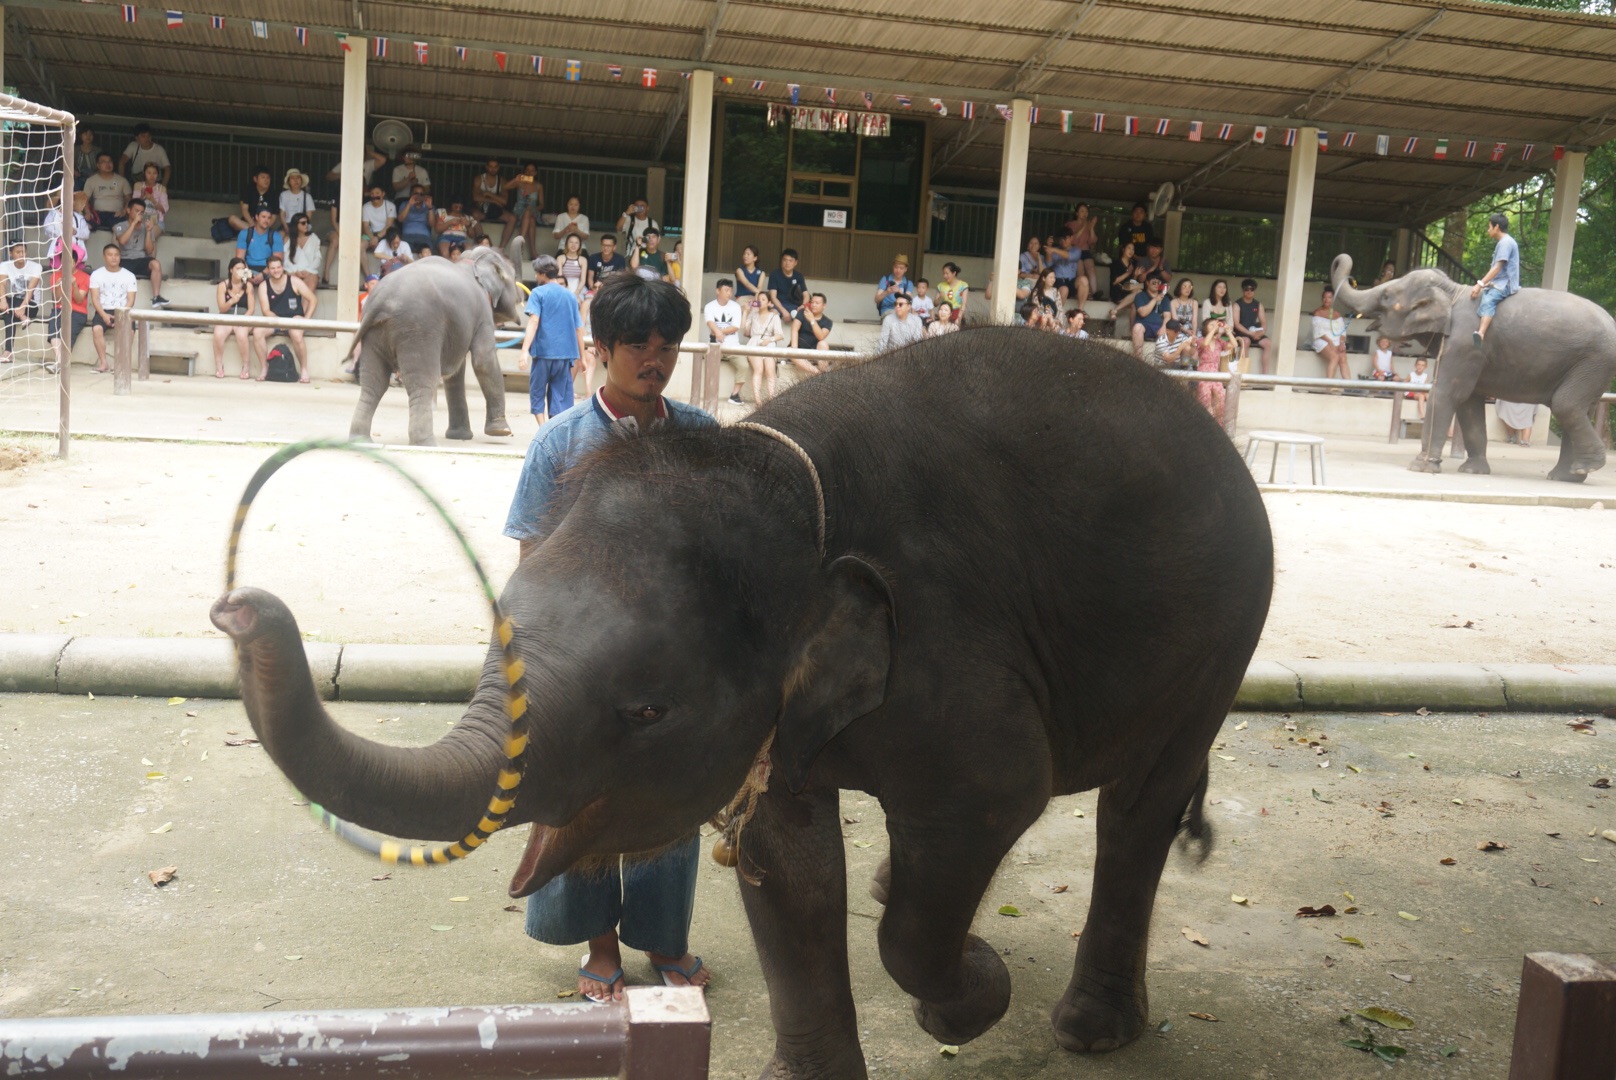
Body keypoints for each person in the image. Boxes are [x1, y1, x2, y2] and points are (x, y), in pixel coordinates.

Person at [502, 272, 715, 1004]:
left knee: (673, 803)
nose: (654, 359)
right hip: (584, 665)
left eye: (668, 345)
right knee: (581, 800)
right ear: (600, 349)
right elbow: (531, 564)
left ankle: (663, 940)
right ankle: (599, 946)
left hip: (675, 661)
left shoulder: (701, 437)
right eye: (637, 345)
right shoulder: (559, 443)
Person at [520, 254, 588, 421]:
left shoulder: (537, 293)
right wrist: (582, 357)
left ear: (543, 273)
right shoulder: (571, 296)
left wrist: (523, 351)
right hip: (565, 356)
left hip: (543, 353)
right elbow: (579, 329)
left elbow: (533, 321)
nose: (535, 276)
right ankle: (553, 431)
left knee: (537, 393)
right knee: (560, 398)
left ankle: (542, 429)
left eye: (537, 273)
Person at [252, 254, 317, 382]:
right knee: (257, 332)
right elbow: (266, 310)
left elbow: (313, 300)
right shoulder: (263, 286)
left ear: (283, 267)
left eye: (278, 267)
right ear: (268, 270)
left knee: (296, 334)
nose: (276, 271)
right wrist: (280, 322)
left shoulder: (294, 281)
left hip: (294, 319)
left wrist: (306, 320)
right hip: (274, 320)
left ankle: (304, 369)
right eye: (273, 268)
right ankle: (265, 368)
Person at [1471, 212, 1519, 346]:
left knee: (1489, 299)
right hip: (1498, 281)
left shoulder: (1505, 243)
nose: (1488, 230)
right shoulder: (1504, 242)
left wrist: (1480, 284)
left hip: (1505, 283)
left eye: (1489, 227)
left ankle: (1481, 333)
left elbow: (1497, 268)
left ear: (1496, 227)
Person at [88, 242, 136, 373]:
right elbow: (95, 299)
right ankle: (104, 363)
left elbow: (131, 299)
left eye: (116, 255)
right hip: (103, 310)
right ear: (104, 257)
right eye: (110, 255)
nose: (114, 257)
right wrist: (103, 315)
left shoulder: (129, 275)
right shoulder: (96, 274)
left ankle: (119, 363)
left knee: (130, 332)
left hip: (123, 310)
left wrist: (120, 315)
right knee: (97, 329)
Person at [113, 198, 168, 307]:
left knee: (155, 263)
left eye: (142, 212)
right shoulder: (120, 226)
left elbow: (149, 250)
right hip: (125, 260)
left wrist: (148, 231)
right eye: (136, 211)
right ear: (128, 211)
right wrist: (133, 224)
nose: (139, 214)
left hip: (141, 259)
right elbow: (122, 241)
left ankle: (156, 297)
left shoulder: (146, 227)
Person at [213, 257, 259, 379]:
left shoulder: (248, 285)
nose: (240, 271)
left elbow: (251, 309)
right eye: (238, 269)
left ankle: (246, 365)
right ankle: (218, 365)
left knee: (241, 334)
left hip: (244, 316)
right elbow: (222, 308)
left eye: (243, 269)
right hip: (226, 316)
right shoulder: (223, 285)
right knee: (218, 334)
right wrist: (232, 300)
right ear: (231, 270)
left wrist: (243, 320)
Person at [0, 242, 42, 363]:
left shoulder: (35, 267)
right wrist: (3, 301)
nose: (21, 255)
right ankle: (8, 352)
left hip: (31, 305)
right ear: (11, 253)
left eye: (23, 252)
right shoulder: (5, 265)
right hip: (12, 305)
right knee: (9, 310)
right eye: (18, 252)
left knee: (9, 312)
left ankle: (8, 352)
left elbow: (30, 290)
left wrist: (22, 308)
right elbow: (2, 284)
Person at [48, 244, 91, 358]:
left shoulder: (85, 277)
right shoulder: (55, 276)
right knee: (53, 329)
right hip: (60, 309)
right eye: (63, 260)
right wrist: (58, 287)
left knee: (69, 334)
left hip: (78, 311)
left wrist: (74, 285)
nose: (66, 264)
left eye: (69, 261)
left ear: (75, 262)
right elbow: (58, 300)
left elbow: (79, 300)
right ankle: (59, 360)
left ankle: (60, 363)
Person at [82, 153, 131, 231]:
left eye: (109, 161)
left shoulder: (122, 180)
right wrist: (88, 212)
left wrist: (124, 211)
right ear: (98, 165)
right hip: (98, 214)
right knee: (84, 225)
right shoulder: (91, 180)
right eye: (104, 162)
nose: (107, 164)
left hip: (116, 214)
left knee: (120, 229)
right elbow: (84, 199)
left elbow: (128, 198)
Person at [505, 163, 545, 260]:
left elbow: (542, 204)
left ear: (535, 173)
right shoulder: (520, 183)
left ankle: (520, 243)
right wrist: (516, 179)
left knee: (529, 212)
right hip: (519, 210)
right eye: (527, 170)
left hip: (533, 211)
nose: (529, 172)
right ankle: (533, 252)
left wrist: (534, 209)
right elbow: (505, 187)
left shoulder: (538, 186)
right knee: (530, 220)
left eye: (532, 170)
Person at [235, 207, 284, 283]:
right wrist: (248, 274)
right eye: (263, 217)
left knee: (277, 271)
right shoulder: (245, 233)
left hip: (268, 269)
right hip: (248, 268)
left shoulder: (275, 236)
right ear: (257, 217)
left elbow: (277, 260)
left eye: (269, 218)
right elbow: (239, 259)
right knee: (236, 269)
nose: (266, 220)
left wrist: (263, 274)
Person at [1312, 287, 1349, 386]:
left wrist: (1341, 343)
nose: (1326, 300)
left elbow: (1342, 331)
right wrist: (1330, 342)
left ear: (1333, 299)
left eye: (1329, 297)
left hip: (1336, 340)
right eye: (1324, 297)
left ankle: (1349, 386)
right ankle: (1329, 386)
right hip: (1322, 339)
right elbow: (1318, 331)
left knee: (1343, 357)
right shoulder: (1318, 312)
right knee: (1335, 357)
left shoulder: (1337, 314)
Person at [1232, 279, 1271, 375]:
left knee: (1268, 343)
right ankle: (1244, 374)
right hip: (1240, 332)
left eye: (1252, 289)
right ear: (1243, 290)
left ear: (1254, 290)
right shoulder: (1237, 304)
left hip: (1254, 331)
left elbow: (1263, 322)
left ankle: (1265, 376)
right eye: (1246, 289)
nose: (1249, 291)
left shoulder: (1258, 305)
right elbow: (1236, 324)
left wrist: (1261, 332)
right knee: (1246, 341)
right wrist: (1249, 333)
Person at [44, 190, 91, 269]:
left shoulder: (79, 217)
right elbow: (47, 229)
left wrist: (75, 231)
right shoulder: (53, 214)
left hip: (77, 252)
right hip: (57, 252)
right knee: (58, 275)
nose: (69, 201)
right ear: (60, 200)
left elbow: (86, 234)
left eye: (72, 199)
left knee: (77, 275)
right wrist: (63, 231)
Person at [1196, 316, 1230, 423]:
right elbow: (1205, 343)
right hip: (1203, 373)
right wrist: (1214, 330)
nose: (1214, 326)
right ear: (1205, 328)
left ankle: (1219, 426)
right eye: (1211, 325)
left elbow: (1234, 345)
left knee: (1220, 400)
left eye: (1215, 325)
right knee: (1205, 400)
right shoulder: (1200, 340)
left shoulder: (1219, 342)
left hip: (1216, 373)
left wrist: (1228, 332)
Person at [790, 292, 833, 374]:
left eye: (817, 303)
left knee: (823, 344)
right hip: (799, 351)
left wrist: (812, 320)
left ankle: (822, 369)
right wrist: (794, 348)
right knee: (790, 351)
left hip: (814, 353)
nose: (813, 305)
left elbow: (821, 336)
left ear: (824, 306)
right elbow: (794, 329)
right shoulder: (802, 312)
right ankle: (819, 373)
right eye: (812, 302)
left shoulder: (828, 322)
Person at [471, 159, 515, 237]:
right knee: (474, 215)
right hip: (482, 210)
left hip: (496, 211)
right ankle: (481, 241)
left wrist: (489, 194)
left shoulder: (502, 181)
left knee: (512, 218)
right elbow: (475, 197)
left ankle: (501, 247)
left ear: (498, 168)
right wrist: (494, 201)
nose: (493, 169)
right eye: (490, 166)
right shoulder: (479, 179)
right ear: (486, 167)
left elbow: (504, 201)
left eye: (495, 167)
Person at [1066, 203, 1100, 298]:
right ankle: (1083, 292)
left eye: (1086, 211)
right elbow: (1072, 240)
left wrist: (1092, 227)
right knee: (1080, 271)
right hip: (1074, 251)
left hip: (1085, 250)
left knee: (1091, 269)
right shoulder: (1071, 224)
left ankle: (1095, 293)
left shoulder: (1089, 225)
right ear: (1077, 213)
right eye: (1082, 211)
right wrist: (1084, 227)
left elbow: (1092, 242)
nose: (1084, 213)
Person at [734, 245, 769, 340]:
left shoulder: (761, 273)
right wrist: (760, 293)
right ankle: (748, 331)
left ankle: (749, 331)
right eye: (744, 254)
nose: (745, 256)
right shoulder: (739, 270)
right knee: (749, 307)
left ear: (755, 258)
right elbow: (747, 284)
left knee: (757, 308)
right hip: (742, 298)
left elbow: (759, 287)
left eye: (748, 254)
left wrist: (758, 297)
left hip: (755, 297)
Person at [230, 165, 279, 232]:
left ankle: (256, 232)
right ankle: (256, 231)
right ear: (255, 179)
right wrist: (252, 224)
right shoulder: (248, 189)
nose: (266, 180)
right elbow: (244, 210)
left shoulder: (274, 194)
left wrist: (265, 226)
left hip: (265, 225)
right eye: (263, 177)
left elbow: (274, 215)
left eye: (268, 178)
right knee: (232, 219)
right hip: (249, 223)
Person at [1130, 274, 1169, 359]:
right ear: (1147, 283)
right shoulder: (1140, 295)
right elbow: (1143, 313)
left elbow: (1167, 316)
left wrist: (1164, 327)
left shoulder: (1165, 298)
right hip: (1144, 325)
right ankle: (1138, 359)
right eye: (1153, 282)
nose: (1156, 284)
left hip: (1159, 328)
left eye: (1158, 282)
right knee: (1137, 327)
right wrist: (1155, 300)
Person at [284, 213, 323, 294]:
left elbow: (318, 258)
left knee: (309, 289)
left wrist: (308, 270)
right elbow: (286, 260)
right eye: (303, 223)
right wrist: (296, 271)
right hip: (293, 271)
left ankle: (305, 307)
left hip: (309, 271)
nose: (306, 225)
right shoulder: (288, 239)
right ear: (295, 225)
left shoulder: (313, 238)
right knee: (292, 286)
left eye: (307, 222)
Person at [767, 249, 807, 322]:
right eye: (785, 260)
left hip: (795, 306)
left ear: (795, 262)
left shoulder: (799, 276)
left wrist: (803, 306)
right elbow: (773, 297)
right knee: (772, 314)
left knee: (803, 315)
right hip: (778, 305)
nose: (787, 263)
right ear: (781, 261)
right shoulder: (774, 274)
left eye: (790, 260)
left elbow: (806, 294)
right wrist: (783, 311)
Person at [279, 169, 317, 246]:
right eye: (293, 178)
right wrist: (286, 227)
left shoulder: (307, 196)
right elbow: (282, 213)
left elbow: (308, 215)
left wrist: (300, 226)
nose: (296, 180)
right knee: (278, 238)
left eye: (298, 178)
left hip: (302, 224)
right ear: (289, 181)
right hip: (287, 224)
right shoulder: (284, 195)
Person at [132, 162, 169, 234]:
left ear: (158, 174)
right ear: (144, 173)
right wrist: (141, 197)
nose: (152, 176)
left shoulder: (162, 188)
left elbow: (164, 210)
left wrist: (152, 199)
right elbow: (133, 206)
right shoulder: (138, 185)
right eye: (149, 173)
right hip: (140, 219)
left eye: (154, 173)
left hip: (156, 221)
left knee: (149, 235)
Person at [397, 185, 435, 253]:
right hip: (407, 236)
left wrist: (429, 207)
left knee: (427, 253)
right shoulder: (404, 204)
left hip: (424, 236)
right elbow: (400, 219)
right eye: (416, 193)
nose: (418, 196)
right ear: (410, 194)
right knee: (403, 253)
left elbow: (432, 224)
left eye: (421, 194)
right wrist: (409, 204)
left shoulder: (429, 206)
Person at [557, 233, 588, 299]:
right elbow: (560, 277)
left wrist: (577, 292)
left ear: (580, 245)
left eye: (576, 243)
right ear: (566, 244)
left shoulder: (583, 260)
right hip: (564, 287)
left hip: (578, 287)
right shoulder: (561, 258)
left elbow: (583, 280)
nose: (573, 245)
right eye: (571, 242)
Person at [1169, 279, 1198, 344]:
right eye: (1184, 286)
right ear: (1179, 288)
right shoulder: (1173, 302)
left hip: (1191, 329)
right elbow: (1175, 320)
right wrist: (1186, 331)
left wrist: (1194, 332)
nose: (1187, 289)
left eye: (1189, 287)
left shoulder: (1194, 302)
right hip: (1178, 328)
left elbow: (1194, 320)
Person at [1016, 235, 1044, 303]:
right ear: (1028, 245)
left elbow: (1042, 272)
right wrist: (1032, 276)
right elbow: (1020, 274)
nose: (1033, 245)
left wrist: (1039, 258)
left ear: (1039, 246)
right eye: (1031, 243)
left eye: (1036, 243)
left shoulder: (1042, 257)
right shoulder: (1023, 256)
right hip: (1026, 281)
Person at [73, 126, 101, 191]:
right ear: (81, 136)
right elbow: (68, 164)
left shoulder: (98, 150)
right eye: (85, 134)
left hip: (94, 178)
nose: (88, 136)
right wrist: (74, 172)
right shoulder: (75, 149)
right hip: (78, 178)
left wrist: (95, 174)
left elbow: (101, 166)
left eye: (90, 134)